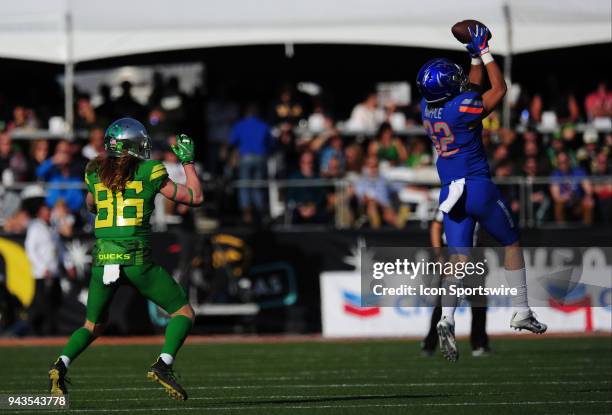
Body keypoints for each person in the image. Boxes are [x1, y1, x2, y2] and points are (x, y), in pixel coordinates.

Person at [416, 24, 546, 362]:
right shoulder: (461, 109)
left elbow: (470, 89)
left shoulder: (428, 109)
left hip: (450, 193)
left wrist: (472, 56)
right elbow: (498, 89)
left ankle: (446, 318)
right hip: (476, 186)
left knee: (459, 262)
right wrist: (485, 51)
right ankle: (521, 310)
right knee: (511, 241)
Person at [48, 118, 203, 401]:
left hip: (103, 258)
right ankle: (163, 364)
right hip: (135, 259)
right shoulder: (150, 169)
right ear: (135, 145)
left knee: (92, 325)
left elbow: (91, 204)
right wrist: (188, 163)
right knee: (183, 313)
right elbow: (195, 197)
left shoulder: (94, 170)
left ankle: (61, 363)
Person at [422, 209, 490, 357]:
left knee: (479, 301)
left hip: (474, 253)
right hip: (453, 252)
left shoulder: (477, 201)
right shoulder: (451, 200)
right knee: (444, 302)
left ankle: (479, 344)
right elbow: (435, 226)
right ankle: (430, 344)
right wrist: (439, 255)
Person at [229, 104, 273, 223]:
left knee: (244, 185)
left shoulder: (240, 124)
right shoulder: (264, 125)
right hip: (260, 157)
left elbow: (232, 141)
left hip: (246, 157)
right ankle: (259, 212)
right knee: (257, 186)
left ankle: (247, 213)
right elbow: (271, 143)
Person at [550, 152, 594, 225]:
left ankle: (587, 230)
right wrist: (565, 197)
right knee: (558, 205)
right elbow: (556, 197)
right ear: (557, 162)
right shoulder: (555, 174)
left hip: (577, 202)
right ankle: (561, 231)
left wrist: (587, 196)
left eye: (565, 161)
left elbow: (588, 188)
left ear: (569, 161)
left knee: (589, 202)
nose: (563, 164)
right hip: (564, 204)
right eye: (560, 162)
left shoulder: (579, 171)